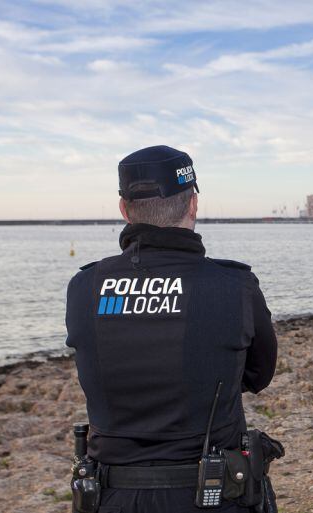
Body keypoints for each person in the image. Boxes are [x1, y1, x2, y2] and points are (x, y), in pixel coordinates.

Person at [65, 145, 280, 513]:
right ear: (193, 204)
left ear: (124, 210)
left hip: (112, 496)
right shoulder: (233, 285)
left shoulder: (85, 286)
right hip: (212, 497)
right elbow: (259, 374)